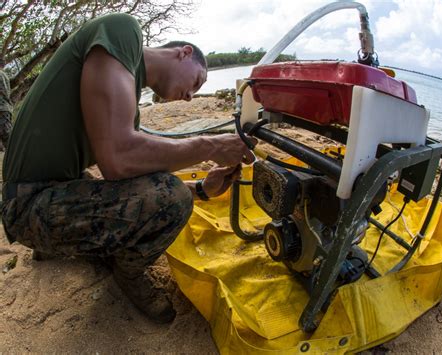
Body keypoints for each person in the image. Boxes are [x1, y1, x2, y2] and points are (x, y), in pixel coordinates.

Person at [1, 13, 255, 323]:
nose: (191, 96)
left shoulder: (125, 102)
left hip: (49, 192)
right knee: (173, 196)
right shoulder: (122, 31)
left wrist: (201, 189)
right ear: (184, 52)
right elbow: (119, 159)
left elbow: (132, 177)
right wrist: (211, 146)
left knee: (168, 188)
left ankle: (60, 245)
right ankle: (127, 273)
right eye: (197, 81)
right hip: (28, 205)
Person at [0, 58, 13, 151]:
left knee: (7, 138)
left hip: (1, 109)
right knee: (7, 137)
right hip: (5, 109)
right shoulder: (5, 76)